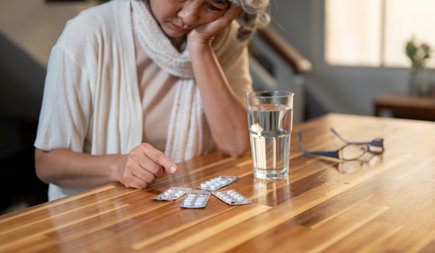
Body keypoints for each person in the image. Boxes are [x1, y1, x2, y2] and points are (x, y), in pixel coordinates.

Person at [34, 0, 270, 201]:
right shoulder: (88, 32)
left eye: (213, 5)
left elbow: (237, 144)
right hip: (98, 217)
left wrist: (200, 47)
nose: (189, 16)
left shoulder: (224, 39)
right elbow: (47, 163)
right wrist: (117, 166)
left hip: (176, 211)